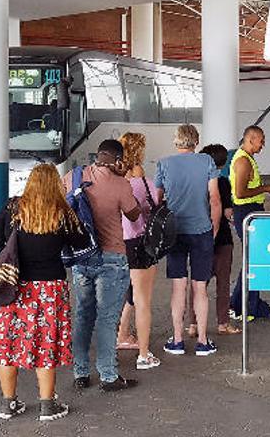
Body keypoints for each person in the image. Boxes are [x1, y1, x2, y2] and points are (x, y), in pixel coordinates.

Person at [0, 164, 88, 421]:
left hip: (11, 287)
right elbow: (83, 242)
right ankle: (47, 405)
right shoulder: (62, 213)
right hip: (49, 290)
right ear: (56, 185)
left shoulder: (11, 208)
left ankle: (9, 404)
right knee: (46, 345)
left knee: (7, 345)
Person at [62, 139, 141, 392]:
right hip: (112, 258)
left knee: (84, 315)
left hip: (82, 256)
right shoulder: (120, 184)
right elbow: (133, 214)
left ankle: (80, 373)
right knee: (107, 319)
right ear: (117, 160)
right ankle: (108, 376)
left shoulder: (74, 176)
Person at [154, 124, 222, 356]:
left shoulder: (164, 163)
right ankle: (203, 341)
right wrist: (214, 228)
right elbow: (214, 199)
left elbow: (157, 200)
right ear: (196, 141)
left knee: (178, 286)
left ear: (176, 141)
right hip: (201, 229)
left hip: (174, 231)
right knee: (200, 287)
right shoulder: (206, 162)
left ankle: (177, 340)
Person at [115, 132, 161, 370]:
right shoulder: (143, 182)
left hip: (118, 244)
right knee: (143, 300)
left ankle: (122, 335)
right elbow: (154, 206)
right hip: (140, 242)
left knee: (131, 293)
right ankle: (144, 354)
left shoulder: (114, 180)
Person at [186, 144, 242, 336]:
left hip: (198, 237)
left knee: (198, 283)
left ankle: (193, 325)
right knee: (223, 283)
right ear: (223, 162)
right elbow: (227, 212)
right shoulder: (223, 183)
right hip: (222, 240)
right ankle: (223, 323)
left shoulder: (194, 182)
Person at [229, 126, 270, 321]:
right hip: (245, 212)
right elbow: (240, 193)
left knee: (255, 259)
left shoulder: (248, 158)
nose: (263, 145)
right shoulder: (242, 161)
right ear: (251, 139)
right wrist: (266, 188)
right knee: (253, 259)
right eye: (261, 141)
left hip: (252, 210)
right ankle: (242, 306)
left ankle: (249, 305)